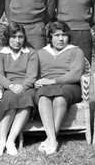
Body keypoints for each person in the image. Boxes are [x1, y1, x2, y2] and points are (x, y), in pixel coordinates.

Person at [34, 21, 85, 155]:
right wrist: (36, 83)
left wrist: (53, 81)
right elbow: (34, 74)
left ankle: (50, 138)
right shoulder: (41, 53)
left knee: (59, 99)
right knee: (43, 97)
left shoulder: (75, 51)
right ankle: (52, 139)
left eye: (64, 35)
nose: (61, 39)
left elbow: (75, 74)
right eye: (56, 35)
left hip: (70, 86)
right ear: (50, 37)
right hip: (46, 86)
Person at [0, 22, 38, 156]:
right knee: (11, 98)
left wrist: (22, 87)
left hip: (25, 86)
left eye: (20, 37)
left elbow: (32, 75)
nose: (17, 41)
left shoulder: (31, 53)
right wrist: (11, 86)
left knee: (27, 98)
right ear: (7, 37)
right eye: (13, 37)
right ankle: (1, 140)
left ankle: (11, 141)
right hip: (9, 87)